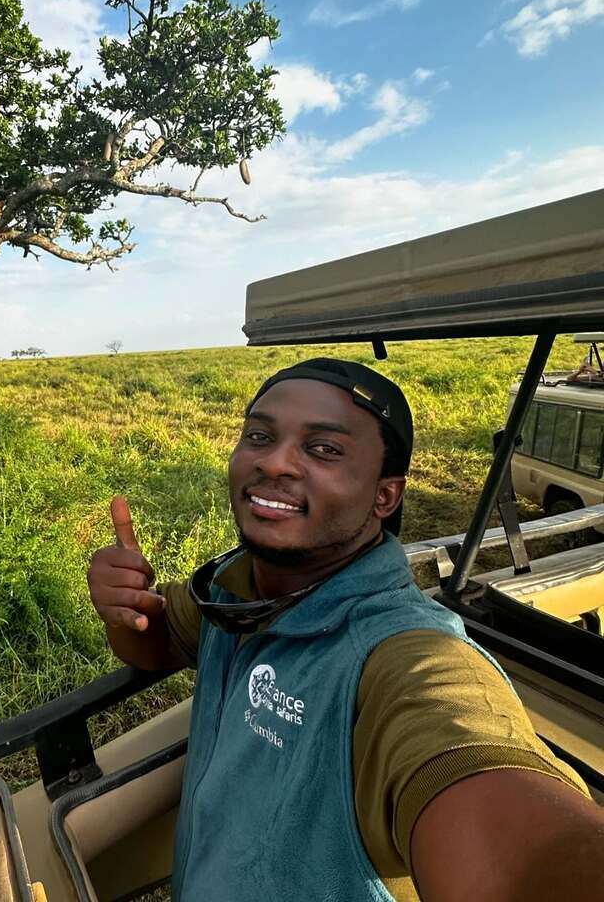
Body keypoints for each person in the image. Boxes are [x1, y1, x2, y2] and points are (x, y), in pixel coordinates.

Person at [86, 358, 603, 902]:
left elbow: (500, 813)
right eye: (260, 435)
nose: (275, 462)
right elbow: (158, 643)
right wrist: (126, 609)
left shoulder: (407, 657)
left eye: (324, 449)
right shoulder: (231, 591)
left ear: (385, 496)